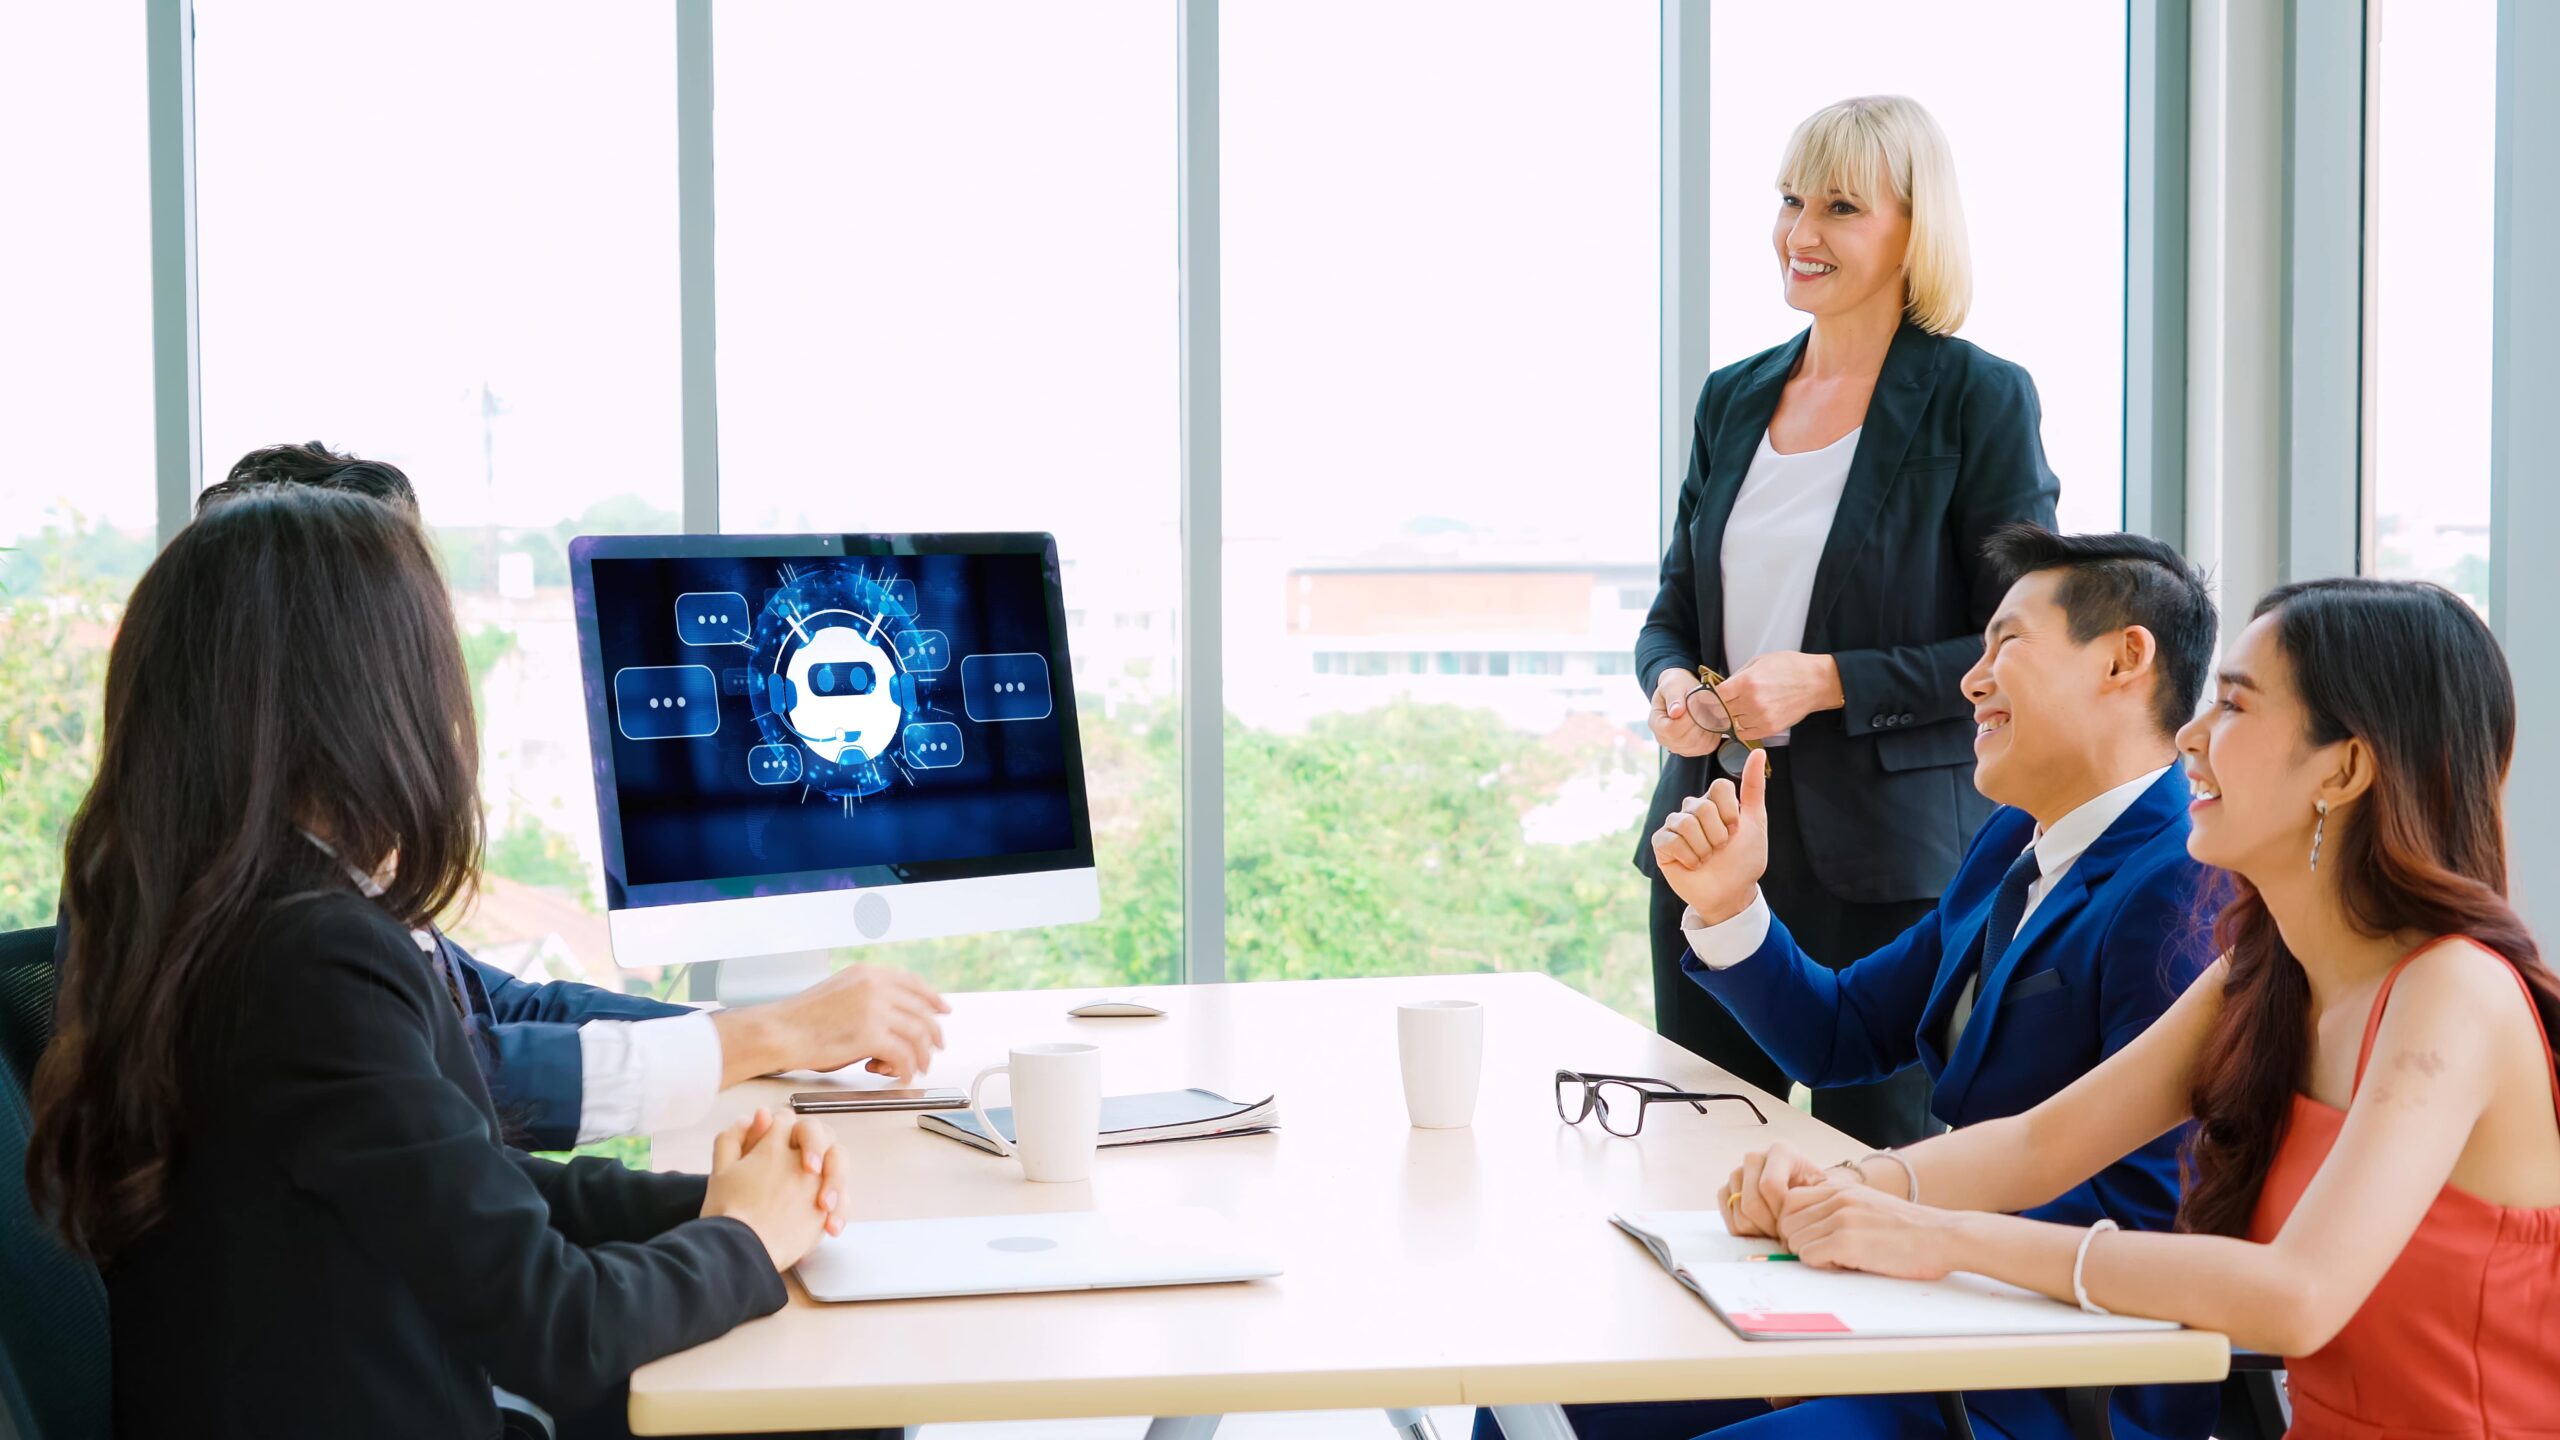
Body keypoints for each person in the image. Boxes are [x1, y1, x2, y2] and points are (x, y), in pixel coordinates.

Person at [25, 486, 886, 1439]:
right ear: (368, 697)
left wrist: (723, 1207)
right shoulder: (309, 959)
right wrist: (746, 1239)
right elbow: (557, 1328)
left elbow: (478, 1190)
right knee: (838, 1410)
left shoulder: (215, 920)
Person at [1727, 577, 2560, 1439]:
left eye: (2234, 708)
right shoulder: (2262, 973)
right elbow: (2039, 1144)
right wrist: (1838, 1190)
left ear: (2343, 768)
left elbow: (2299, 1297)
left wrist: (1946, 1237)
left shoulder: (2451, 991)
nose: (2192, 737)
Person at [1492, 529, 2222, 1440]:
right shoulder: (2009, 845)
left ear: (2125, 657)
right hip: (1928, 1308)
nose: (1972, 677)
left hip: (2051, 1373)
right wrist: (1730, 907)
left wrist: (1874, 1216)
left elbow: (2149, 1212)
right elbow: (1840, 1036)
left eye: (2008, 643)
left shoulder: (2184, 879)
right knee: (1545, 1395)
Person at [67, 441, 954, 1153]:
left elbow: (500, 1009)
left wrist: (779, 1026)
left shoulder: (262, 862)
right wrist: (772, 1041)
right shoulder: (260, 920)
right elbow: (469, 1077)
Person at [1636, 95, 2058, 1151]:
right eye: (1789, 200)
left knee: (1873, 1177)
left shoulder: (1976, 399)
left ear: (1913, 228)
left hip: (1886, 866)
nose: (1800, 233)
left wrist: (1828, 681)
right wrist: (1674, 684)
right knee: (1697, 1155)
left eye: (1838, 206)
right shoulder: (1732, 399)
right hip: (1712, 835)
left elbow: (2019, 639)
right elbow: (1672, 611)